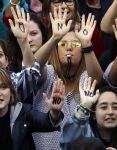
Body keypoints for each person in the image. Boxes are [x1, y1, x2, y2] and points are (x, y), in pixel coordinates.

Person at [8, 5, 103, 150]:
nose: (69, 48)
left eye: (75, 44)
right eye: (63, 44)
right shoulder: (49, 73)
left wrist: (86, 43)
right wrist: (55, 38)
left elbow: (97, 78)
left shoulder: (86, 76)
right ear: (56, 50)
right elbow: (33, 68)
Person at [60, 76, 117, 150]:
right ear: (94, 115)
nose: (110, 112)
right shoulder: (84, 135)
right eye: (103, 107)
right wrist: (85, 106)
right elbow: (67, 144)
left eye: (115, 107)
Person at [0, 68, 65, 150]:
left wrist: (55, 113)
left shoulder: (22, 112)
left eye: (3, 87)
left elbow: (47, 122)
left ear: (11, 92)